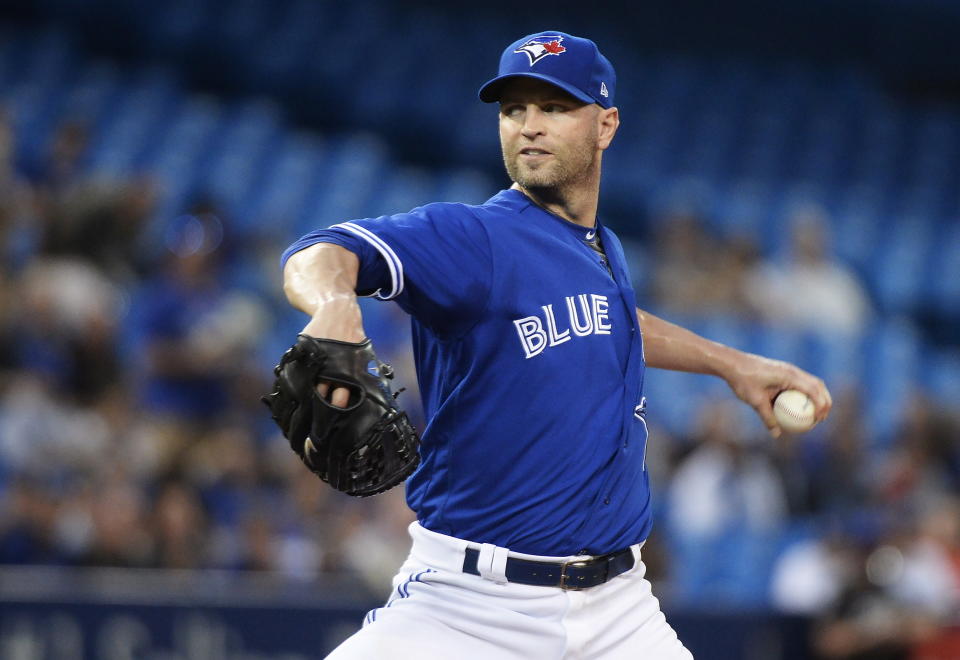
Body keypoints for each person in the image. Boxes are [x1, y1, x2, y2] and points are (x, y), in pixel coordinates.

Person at [277, 31, 832, 659]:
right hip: (468, 609)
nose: (529, 126)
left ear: (606, 124)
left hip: (622, 610)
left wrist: (734, 365)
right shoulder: (474, 239)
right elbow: (321, 251)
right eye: (514, 109)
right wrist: (331, 303)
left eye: (555, 107)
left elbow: (615, 318)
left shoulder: (602, 247)